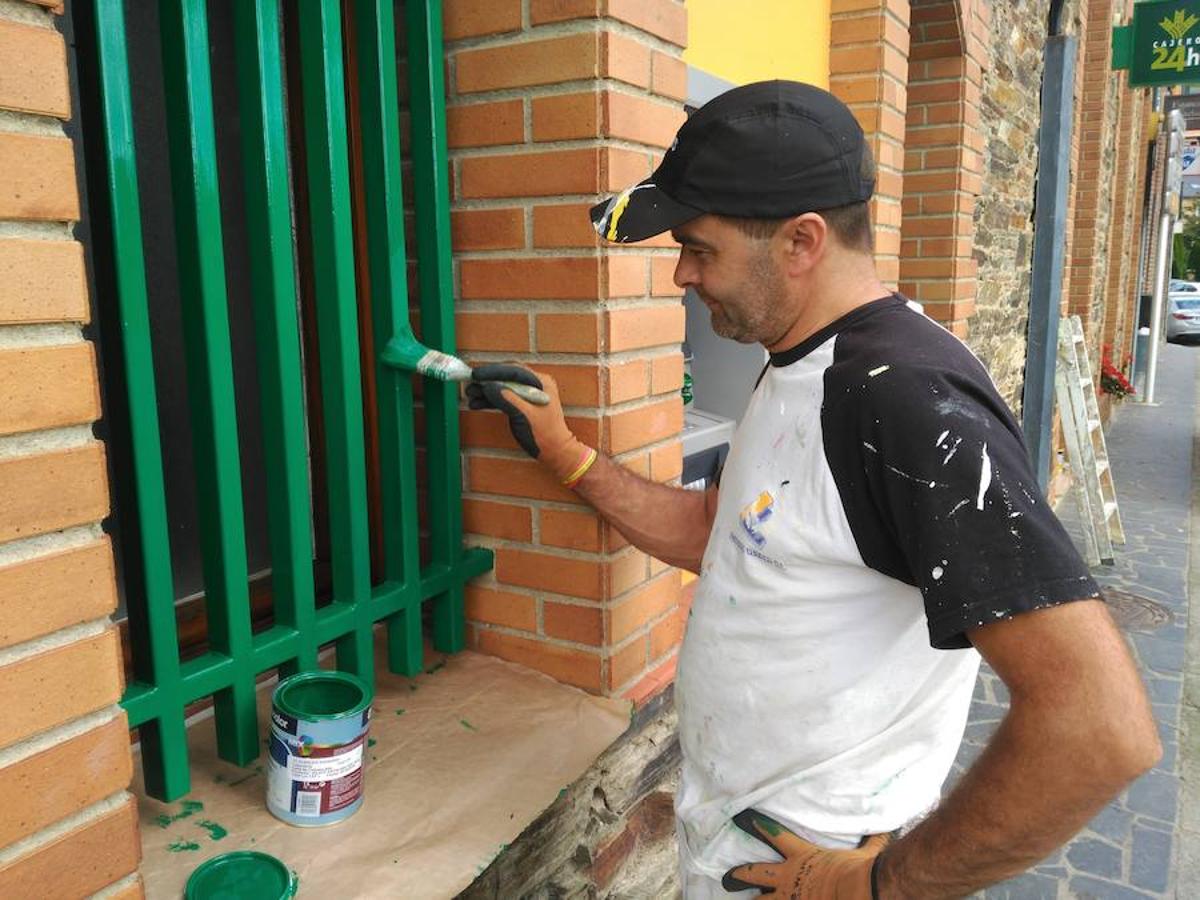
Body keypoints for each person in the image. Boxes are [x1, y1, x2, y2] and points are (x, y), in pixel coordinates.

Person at [467, 81, 1160, 898]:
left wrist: (877, 886)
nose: (682, 275)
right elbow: (713, 534)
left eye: (699, 246)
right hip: (744, 836)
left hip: (814, 861)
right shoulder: (800, 361)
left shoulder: (903, 398)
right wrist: (566, 453)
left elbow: (1098, 728)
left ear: (800, 241)